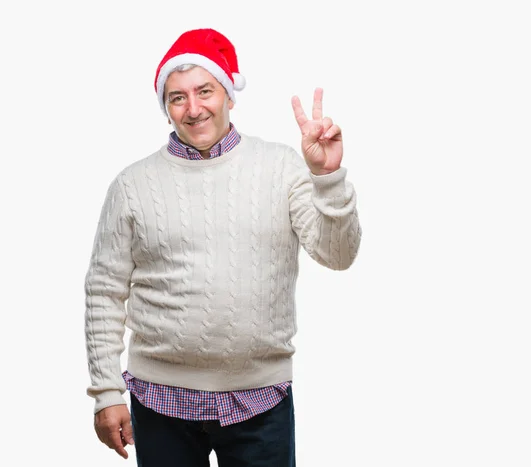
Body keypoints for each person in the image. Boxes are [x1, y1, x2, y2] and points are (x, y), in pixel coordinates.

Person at [84, 27, 361, 467]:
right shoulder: (132, 185)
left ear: (229, 95)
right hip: (161, 404)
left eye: (205, 91)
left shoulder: (282, 167)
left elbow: (338, 255)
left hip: (261, 402)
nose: (193, 109)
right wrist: (105, 393)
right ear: (166, 108)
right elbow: (104, 290)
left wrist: (327, 178)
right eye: (178, 97)